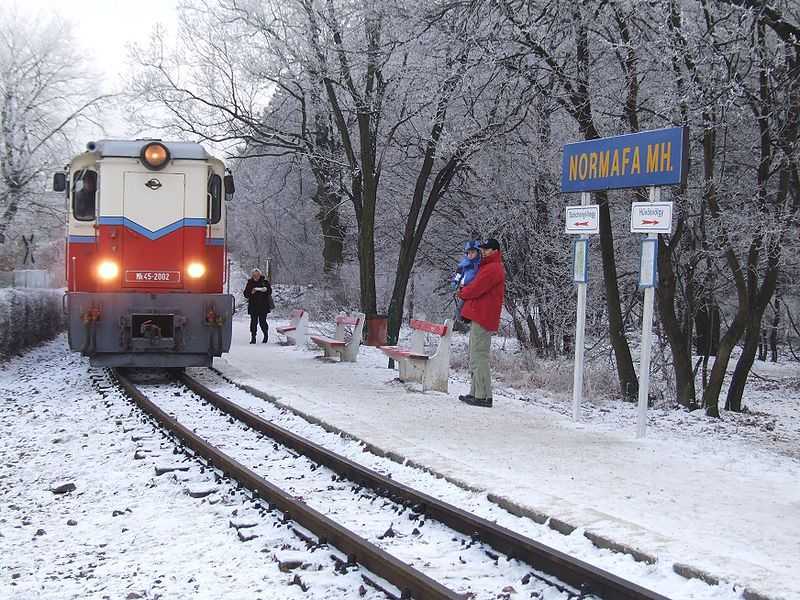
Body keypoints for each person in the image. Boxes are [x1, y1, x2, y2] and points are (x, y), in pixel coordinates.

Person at [457, 238, 505, 408]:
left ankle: (483, 396)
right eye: (482, 249)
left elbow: (476, 288)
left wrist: (462, 292)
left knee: (479, 356)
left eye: (486, 249)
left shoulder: (492, 268)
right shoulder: (488, 267)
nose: (483, 251)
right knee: (475, 355)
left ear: (495, 251)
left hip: (484, 317)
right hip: (481, 316)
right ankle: (475, 392)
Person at [451, 240, 481, 331]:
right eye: (468, 253)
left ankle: (463, 325)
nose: (470, 255)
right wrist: (455, 283)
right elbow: (458, 275)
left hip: (473, 290)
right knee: (459, 309)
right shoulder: (464, 265)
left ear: (478, 252)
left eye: (473, 252)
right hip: (464, 289)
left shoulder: (479, 265)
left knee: (467, 309)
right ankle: (457, 324)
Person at [243, 268, 274, 344]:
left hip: (263, 306)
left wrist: (265, 289)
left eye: (257, 275)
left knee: (262, 322)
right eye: (254, 275)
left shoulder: (265, 282)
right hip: (253, 306)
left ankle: (265, 335)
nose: (255, 277)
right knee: (253, 322)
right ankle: (253, 337)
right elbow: (246, 294)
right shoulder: (250, 283)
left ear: (260, 275)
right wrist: (251, 292)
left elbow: (270, 291)